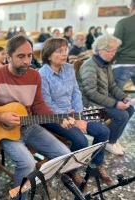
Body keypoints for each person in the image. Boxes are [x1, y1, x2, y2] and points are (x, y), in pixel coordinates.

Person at [0, 35, 72, 199]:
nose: (27, 61)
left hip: (28, 125)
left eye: (29, 56)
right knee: (28, 163)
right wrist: (0, 116)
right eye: (21, 56)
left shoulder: (34, 76)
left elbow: (38, 105)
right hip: (3, 131)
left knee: (63, 154)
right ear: (8, 57)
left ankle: (37, 182)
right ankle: (19, 196)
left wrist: (59, 118)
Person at [39, 38, 112, 184]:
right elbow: (47, 104)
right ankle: (70, 171)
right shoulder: (42, 74)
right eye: (59, 51)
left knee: (103, 131)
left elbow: (76, 93)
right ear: (48, 55)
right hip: (53, 117)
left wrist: (79, 116)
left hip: (74, 112)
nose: (64, 54)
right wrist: (69, 117)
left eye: (65, 50)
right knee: (81, 140)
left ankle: (96, 165)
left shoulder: (69, 68)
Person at [78, 34, 134, 156]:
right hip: (89, 107)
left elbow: (112, 86)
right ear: (100, 49)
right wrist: (115, 103)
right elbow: (91, 93)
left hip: (100, 102)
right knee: (122, 115)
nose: (113, 54)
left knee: (130, 108)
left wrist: (124, 97)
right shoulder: (89, 66)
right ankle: (110, 142)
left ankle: (112, 138)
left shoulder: (105, 64)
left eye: (114, 51)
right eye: (110, 51)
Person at [112, 0, 135, 88]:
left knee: (116, 95)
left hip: (123, 62)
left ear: (131, 7)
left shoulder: (123, 23)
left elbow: (114, 45)